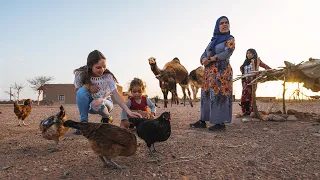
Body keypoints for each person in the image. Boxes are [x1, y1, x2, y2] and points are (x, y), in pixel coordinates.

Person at [73, 50, 142, 134]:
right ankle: (83, 124)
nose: (102, 70)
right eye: (98, 67)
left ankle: (107, 117)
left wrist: (129, 111)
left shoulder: (107, 76)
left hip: (105, 103)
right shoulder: (81, 74)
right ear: (90, 66)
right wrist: (88, 87)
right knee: (82, 91)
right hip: (89, 104)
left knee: (97, 102)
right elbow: (78, 92)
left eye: (104, 66)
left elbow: (116, 94)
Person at [190, 16, 235, 131]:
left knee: (219, 95)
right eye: (222, 23)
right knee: (206, 95)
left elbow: (228, 51)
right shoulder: (212, 41)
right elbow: (203, 54)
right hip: (209, 73)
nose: (224, 25)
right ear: (217, 26)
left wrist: (213, 58)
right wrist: (203, 59)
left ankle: (220, 123)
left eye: (226, 23)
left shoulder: (230, 38)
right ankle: (203, 120)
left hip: (222, 72)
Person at [240, 49, 271, 116]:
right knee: (244, 95)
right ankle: (246, 111)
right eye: (247, 53)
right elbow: (242, 69)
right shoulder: (245, 62)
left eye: (250, 53)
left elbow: (264, 65)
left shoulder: (257, 60)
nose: (248, 54)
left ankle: (250, 111)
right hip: (245, 81)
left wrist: (270, 70)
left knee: (250, 95)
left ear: (254, 54)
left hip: (252, 81)